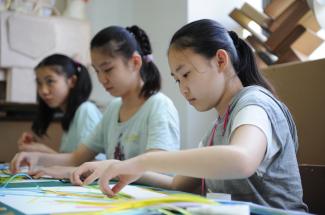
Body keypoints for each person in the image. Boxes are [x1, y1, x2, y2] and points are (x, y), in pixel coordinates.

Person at [80, 19, 307, 211]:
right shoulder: (217, 127)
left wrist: (143, 160)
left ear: (220, 60)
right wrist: (121, 167)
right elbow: (178, 184)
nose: (183, 88)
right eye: (177, 80)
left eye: (186, 74)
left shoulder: (255, 102)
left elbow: (242, 159)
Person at [10, 25, 180, 181]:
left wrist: (78, 171)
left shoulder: (158, 106)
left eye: (108, 69)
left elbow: (157, 171)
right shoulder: (114, 108)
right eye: (97, 71)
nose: (102, 79)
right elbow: (77, 158)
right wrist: (37, 158)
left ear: (135, 62)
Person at [17, 54, 102, 154]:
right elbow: (73, 161)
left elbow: (91, 165)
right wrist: (37, 149)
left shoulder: (86, 110)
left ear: (72, 81)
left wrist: (44, 152)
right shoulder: (70, 114)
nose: (43, 91)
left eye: (50, 81)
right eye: (39, 83)